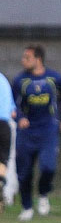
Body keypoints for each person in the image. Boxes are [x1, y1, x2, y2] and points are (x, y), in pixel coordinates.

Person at [12, 45, 61, 221]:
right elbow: (14, 104)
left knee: (48, 167)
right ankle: (27, 207)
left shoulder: (55, 78)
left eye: (27, 57)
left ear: (38, 59)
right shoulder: (20, 80)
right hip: (27, 131)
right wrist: (20, 118)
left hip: (48, 130)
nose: (23, 61)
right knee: (24, 172)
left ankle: (43, 194)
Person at [0, 71, 16, 213]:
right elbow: (13, 111)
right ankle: (0, 181)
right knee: (3, 160)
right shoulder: (4, 80)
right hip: (5, 125)